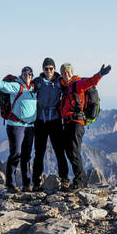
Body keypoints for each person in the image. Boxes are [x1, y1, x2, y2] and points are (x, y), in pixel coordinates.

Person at [59, 62, 111, 190]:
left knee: (74, 151)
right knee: (70, 151)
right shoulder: (65, 88)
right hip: (68, 123)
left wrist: (100, 74)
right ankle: (81, 179)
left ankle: (80, 181)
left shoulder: (77, 84)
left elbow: (90, 82)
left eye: (68, 72)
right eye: (63, 73)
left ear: (72, 73)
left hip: (76, 123)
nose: (66, 75)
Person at [31, 57, 69, 191]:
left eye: (51, 68)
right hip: (40, 121)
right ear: (43, 69)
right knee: (39, 152)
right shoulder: (37, 82)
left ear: (54, 69)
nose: (48, 71)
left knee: (59, 151)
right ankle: (36, 182)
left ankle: (64, 180)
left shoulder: (60, 82)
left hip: (55, 120)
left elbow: (75, 85)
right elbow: (25, 88)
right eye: (46, 68)